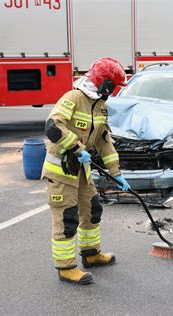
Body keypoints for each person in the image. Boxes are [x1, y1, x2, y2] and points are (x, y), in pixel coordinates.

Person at [42, 57, 131, 284]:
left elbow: (104, 141)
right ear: (104, 84)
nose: (113, 92)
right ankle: (66, 268)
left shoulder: (100, 106)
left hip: (82, 170)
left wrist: (117, 172)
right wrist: (76, 147)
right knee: (66, 217)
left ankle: (91, 255)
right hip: (62, 170)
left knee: (92, 210)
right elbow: (53, 126)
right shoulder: (74, 97)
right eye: (113, 87)